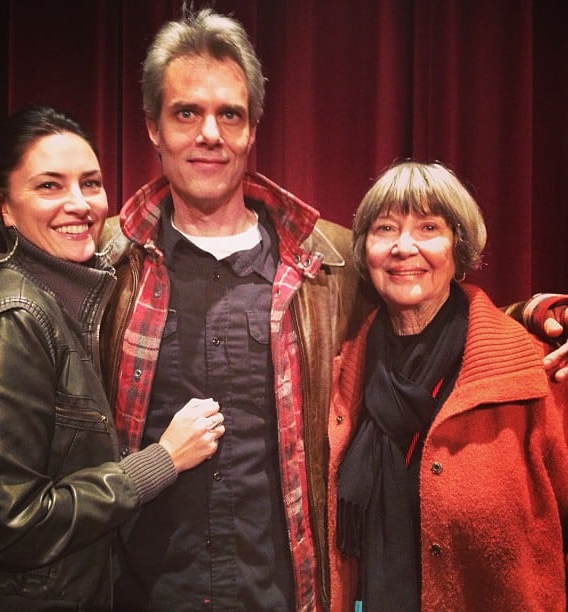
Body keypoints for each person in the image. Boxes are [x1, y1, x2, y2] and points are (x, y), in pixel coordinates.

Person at [98, 8, 568, 611]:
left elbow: (434, 312)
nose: (210, 133)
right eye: (187, 112)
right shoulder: (105, 263)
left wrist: (538, 314)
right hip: (140, 594)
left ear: (252, 129)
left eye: (230, 114)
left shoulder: (332, 261)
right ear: (153, 128)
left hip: (288, 596)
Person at [0, 106, 225, 611]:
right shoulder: (14, 319)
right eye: (49, 186)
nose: (79, 204)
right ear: (2, 206)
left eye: (91, 183)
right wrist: (161, 461)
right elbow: (15, 525)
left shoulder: (60, 303)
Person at [328, 161, 567, 611]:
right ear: (365, 251)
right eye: (385, 229)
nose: (404, 247)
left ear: (459, 247)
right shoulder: (343, 375)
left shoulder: (533, 368)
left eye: (428, 227)